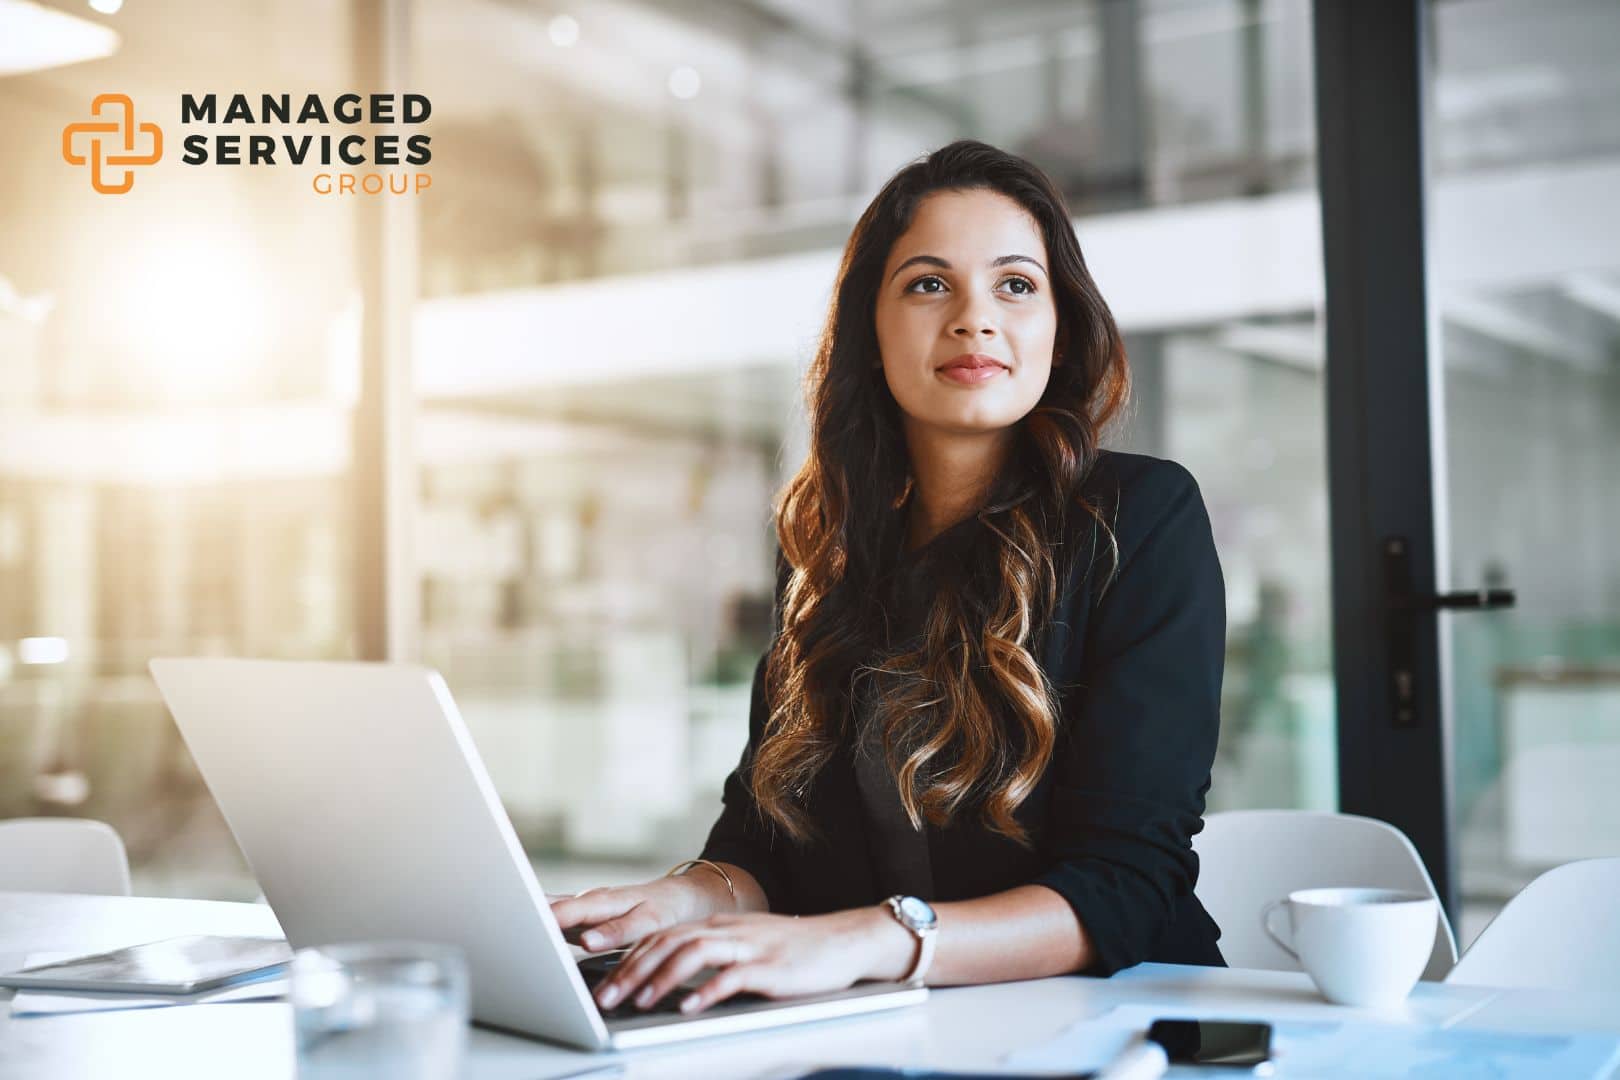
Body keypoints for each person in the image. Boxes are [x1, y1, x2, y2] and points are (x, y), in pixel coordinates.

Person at [550, 139, 1227, 1017]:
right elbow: (761, 843)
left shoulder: (1140, 516)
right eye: (928, 283)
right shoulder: (829, 551)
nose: (974, 317)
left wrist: (866, 940)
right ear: (870, 332)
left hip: (1117, 1022)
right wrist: (674, 902)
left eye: (1015, 285)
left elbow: (1124, 884)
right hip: (898, 1026)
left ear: (1060, 332)